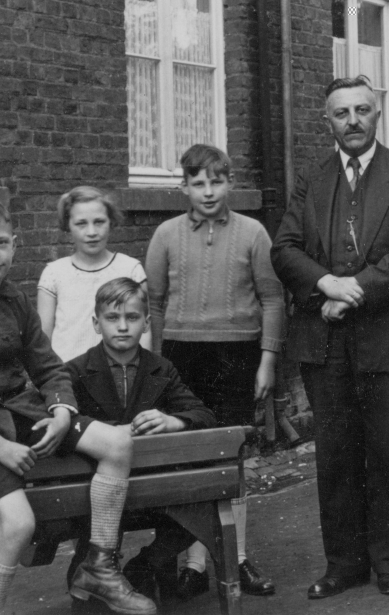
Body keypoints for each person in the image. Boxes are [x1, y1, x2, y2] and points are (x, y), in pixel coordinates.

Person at [0, 197, 156, 615]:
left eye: (1, 242)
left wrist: (62, 411)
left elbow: (48, 367)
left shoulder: (16, 301)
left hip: (22, 415)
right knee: (19, 524)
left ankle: (99, 568)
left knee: (117, 443)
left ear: (15, 243)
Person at [271, 75, 389, 598]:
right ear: (328, 121)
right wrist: (326, 284)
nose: (353, 121)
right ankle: (343, 563)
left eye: (362, 110)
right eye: (341, 113)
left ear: (377, 113)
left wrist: (356, 290)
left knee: (387, 453)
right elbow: (285, 249)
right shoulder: (312, 178)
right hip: (325, 341)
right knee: (336, 456)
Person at [144, 144, 282, 599]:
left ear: (230, 183)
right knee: (189, 456)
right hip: (180, 358)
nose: (208, 192)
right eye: (198, 183)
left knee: (231, 456)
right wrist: (158, 365)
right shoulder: (166, 234)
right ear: (183, 186)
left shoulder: (253, 232)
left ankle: (236, 557)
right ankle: (196, 563)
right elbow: (155, 304)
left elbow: (272, 299)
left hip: (236, 354)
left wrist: (267, 360)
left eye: (217, 182)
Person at [64, 278, 216, 604]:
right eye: (112, 318)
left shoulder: (161, 369)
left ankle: (146, 564)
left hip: (153, 488)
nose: (122, 327)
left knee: (201, 505)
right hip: (95, 493)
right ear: (96, 323)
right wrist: (104, 431)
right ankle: (90, 583)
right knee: (90, 598)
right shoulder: (75, 372)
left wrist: (173, 420)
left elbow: (203, 414)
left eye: (132, 318)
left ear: (146, 323)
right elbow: (62, 422)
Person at [38, 185, 151, 362]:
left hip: (118, 371)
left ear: (110, 222)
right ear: (68, 225)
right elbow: (43, 339)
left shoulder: (130, 269)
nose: (91, 232)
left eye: (99, 222)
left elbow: (143, 330)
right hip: (67, 372)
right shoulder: (53, 274)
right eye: (81, 223)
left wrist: (140, 371)